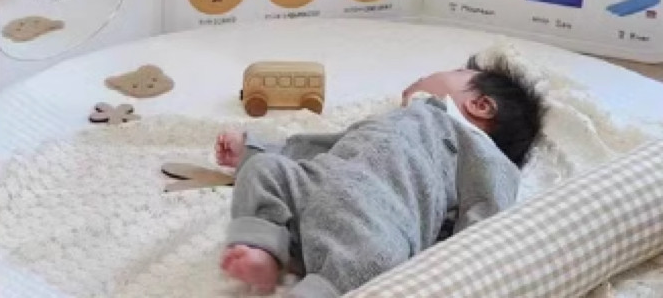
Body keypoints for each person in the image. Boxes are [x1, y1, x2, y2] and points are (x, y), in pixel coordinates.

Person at [217, 56, 546, 297]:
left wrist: (454, 264)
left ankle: (318, 291)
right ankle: (263, 248)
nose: (430, 73)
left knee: (378, 256)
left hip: (379, 217)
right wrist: (255, 150)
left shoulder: (478, 149)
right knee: (264, 171)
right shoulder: (392, 119)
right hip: (318, 181)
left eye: (459, 72)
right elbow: (321, 145)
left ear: (480, 105)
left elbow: (487, 218)